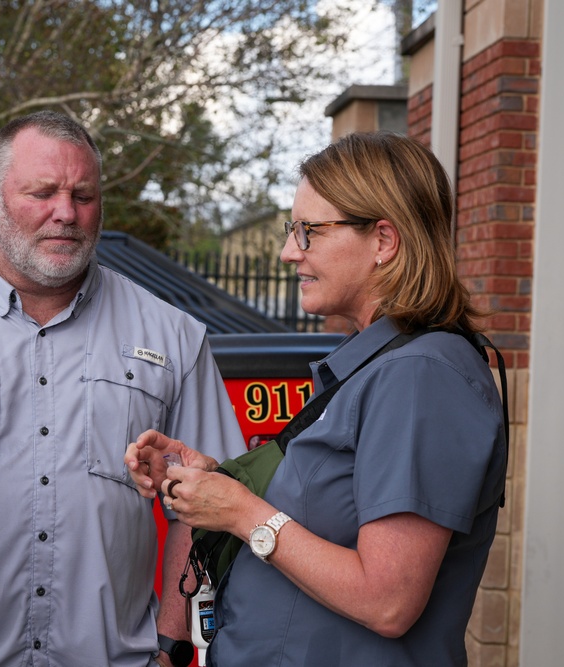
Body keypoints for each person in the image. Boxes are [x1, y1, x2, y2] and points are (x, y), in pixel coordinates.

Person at [0, 111, 245, 666]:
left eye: (83, 196)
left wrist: (170, 644)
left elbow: (211, 503)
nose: (65, 213)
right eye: (42, 192)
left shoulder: (173, 336)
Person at [126, 131, 507, 666]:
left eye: (310, 231)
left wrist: (240, 512)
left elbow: (389, 601)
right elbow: (324, 513)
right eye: (292, 230)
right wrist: (211, 481)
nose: (288, 252)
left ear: (384, 241)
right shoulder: (378, 363)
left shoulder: (420, 375)